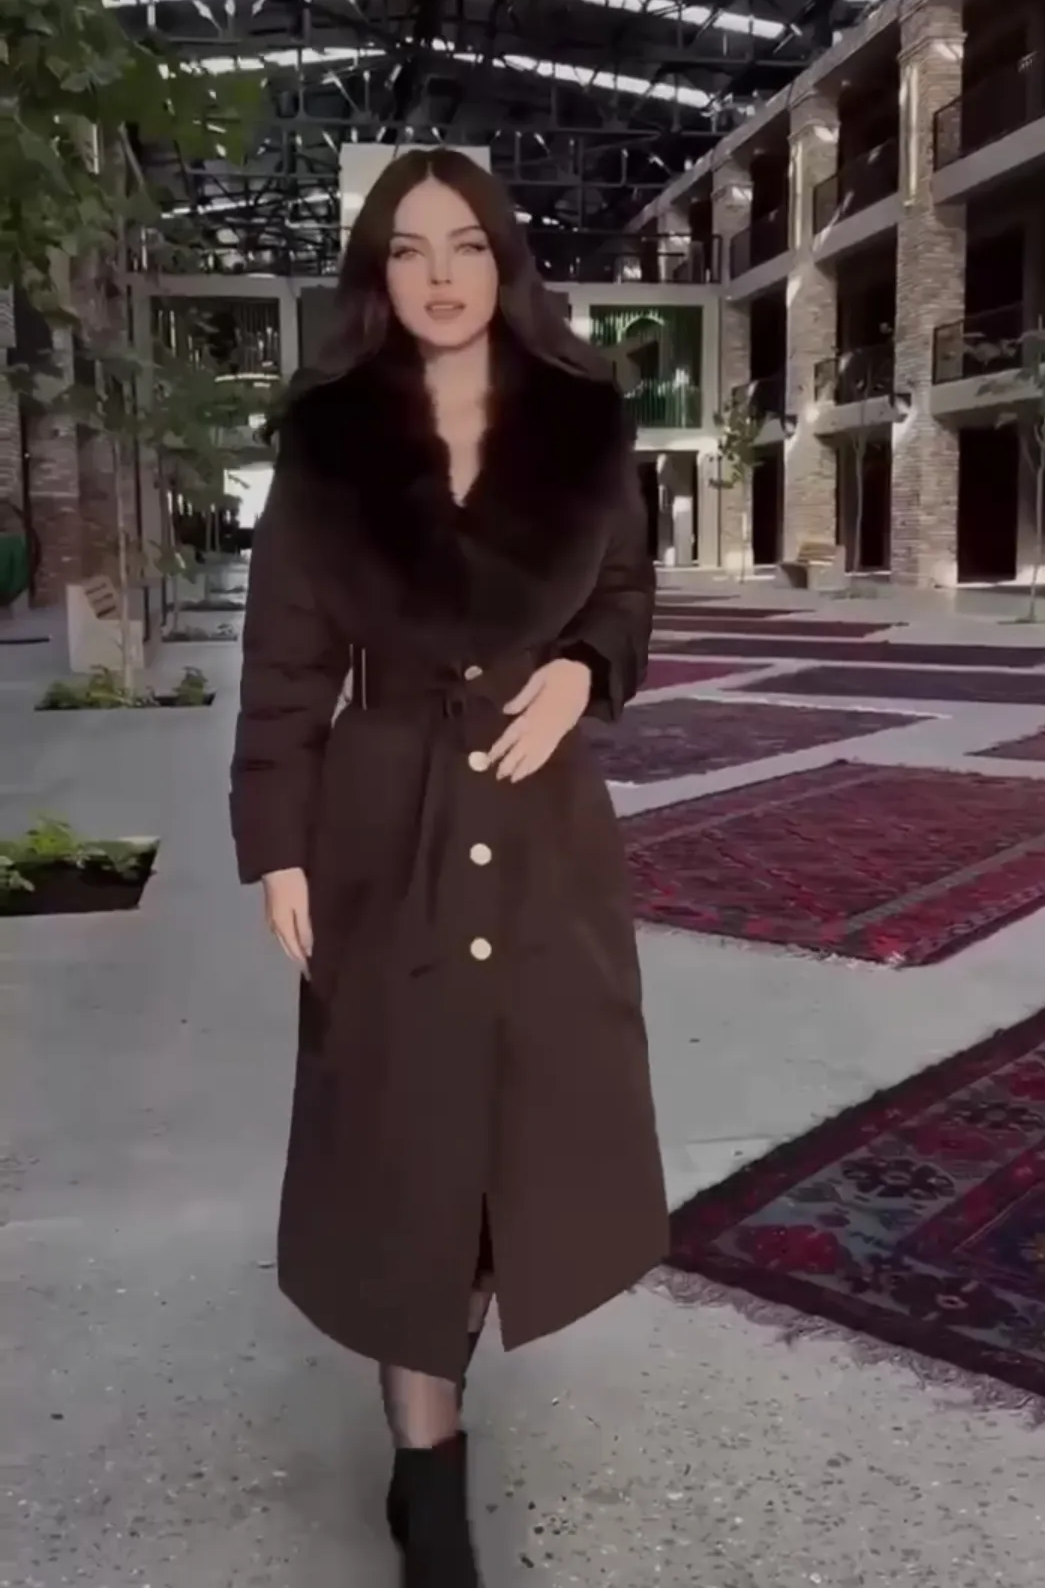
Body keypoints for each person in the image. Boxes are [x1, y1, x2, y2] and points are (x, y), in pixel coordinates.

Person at [229, 147, 668, 1586]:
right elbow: (286, 665)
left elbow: (624, 592)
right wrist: (278, 849)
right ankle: (430, 1479)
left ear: (504, 260)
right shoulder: (330, 440)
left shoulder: (586, 419)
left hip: (544, 843)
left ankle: (433, 1425)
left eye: (465, 244)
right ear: (377, 272)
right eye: (409, 248)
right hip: (384, 828)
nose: (439, 274)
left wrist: (583, 669)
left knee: (514, 1165)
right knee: (406, 1159)